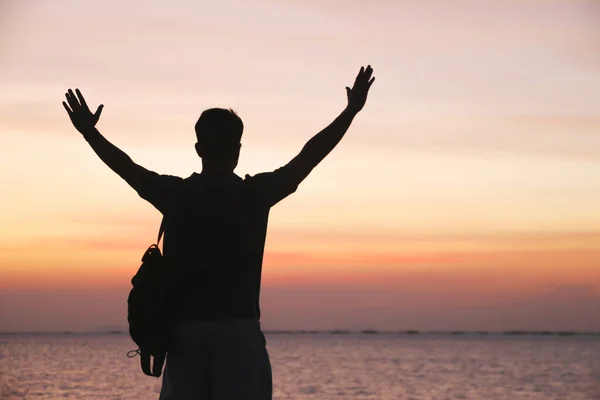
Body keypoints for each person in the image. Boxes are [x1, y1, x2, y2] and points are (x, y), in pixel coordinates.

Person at [62, 65, 375, 400]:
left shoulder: (175, 195)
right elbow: (310, 155)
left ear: (199, 148)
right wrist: (350, 111)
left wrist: (90, 133)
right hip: (240, 333)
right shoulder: (257, 194)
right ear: (238, 150)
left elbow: (126, 167)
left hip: (185, 337)